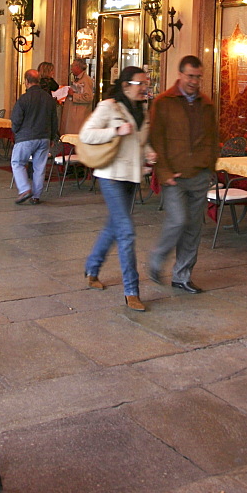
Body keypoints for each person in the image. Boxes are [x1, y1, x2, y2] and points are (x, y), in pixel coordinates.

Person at [80, 66, 155, 311]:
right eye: (140, 83)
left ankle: (92, 268)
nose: (145, 88)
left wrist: (148, 153)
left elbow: (140, 142)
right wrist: (115, 130)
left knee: (114, 226)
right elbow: (86, 135)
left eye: (147, 83)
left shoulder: (142, 110)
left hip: (131, 176)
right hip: (111, 175)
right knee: (126, 231)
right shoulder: (109, 106)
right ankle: (131, 290)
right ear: (126, 85)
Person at [148, 55, 218, 294]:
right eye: (190, 76)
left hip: (198, 174)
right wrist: (164, 170)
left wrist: (209, 166)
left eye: (198, 77)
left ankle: (182, 276)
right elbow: (156, 138)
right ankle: (157, 258)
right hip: (174, 176)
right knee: (178, 220)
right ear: (180, 74)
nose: (194, 81)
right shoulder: (164, 102)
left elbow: (212, 137)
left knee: (194, 228)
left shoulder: (206, 104)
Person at [10, 69, 58, 205]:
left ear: (26, 82)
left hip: (26, 137)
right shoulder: (48, 98)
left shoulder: (24, 98)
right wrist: (52, 137)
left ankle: (25, 189)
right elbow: (54, 119)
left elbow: (16, 120)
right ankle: (36, 196)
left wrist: (16, 133)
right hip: (44, 137)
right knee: (39, 167)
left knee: (17, 163)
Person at [59, 59, 93, 135]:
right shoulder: (78, 78)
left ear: (78, 67)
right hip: (73, 115)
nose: (71, 68)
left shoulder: (86, 80)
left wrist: (73, 95)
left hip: (78, 116)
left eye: (72, 66)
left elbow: (88, 97)